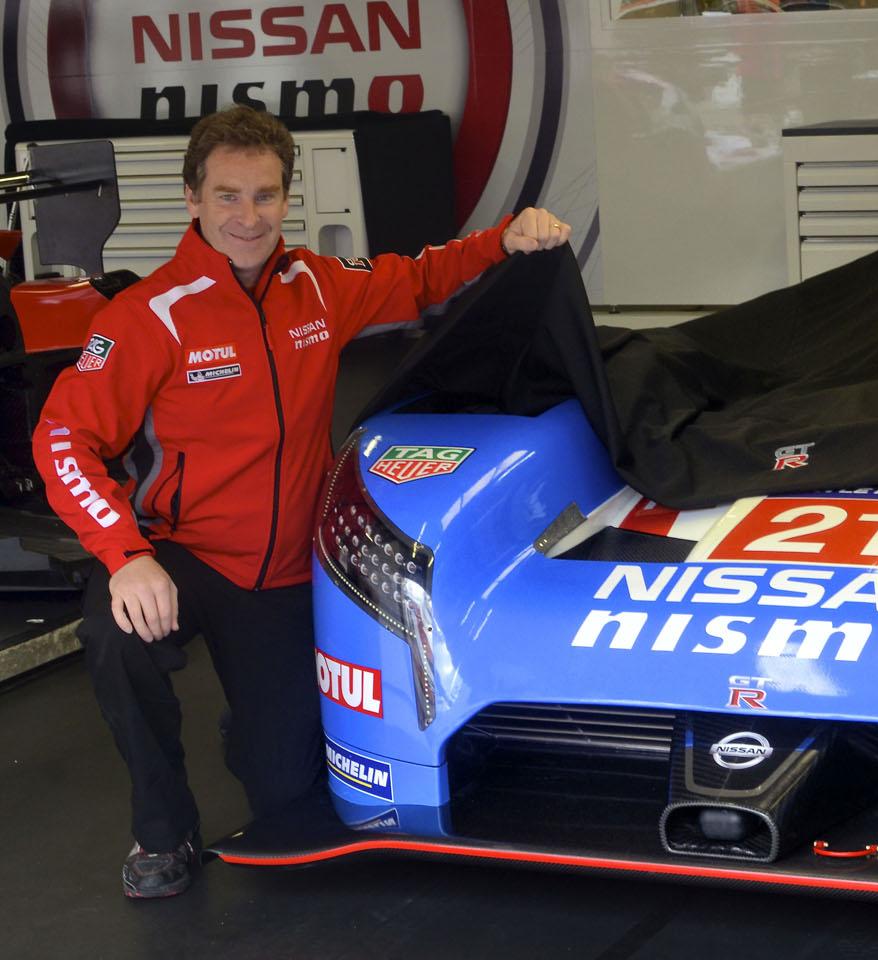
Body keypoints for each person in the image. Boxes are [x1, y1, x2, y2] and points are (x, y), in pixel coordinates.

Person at [31, 105, 571, 899]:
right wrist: (126, 556)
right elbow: (60, 440)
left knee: (288, 792)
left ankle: (250, 731)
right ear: (192, 199)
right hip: (183, 557)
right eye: (226, 196)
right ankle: (163, 828)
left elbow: (421, 274)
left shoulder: (317, 287)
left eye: (265, 195)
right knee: (113, 635)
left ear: (287, 198)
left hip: (285, 572)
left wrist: (506, 239)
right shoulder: (148, 316)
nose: (247, 217)